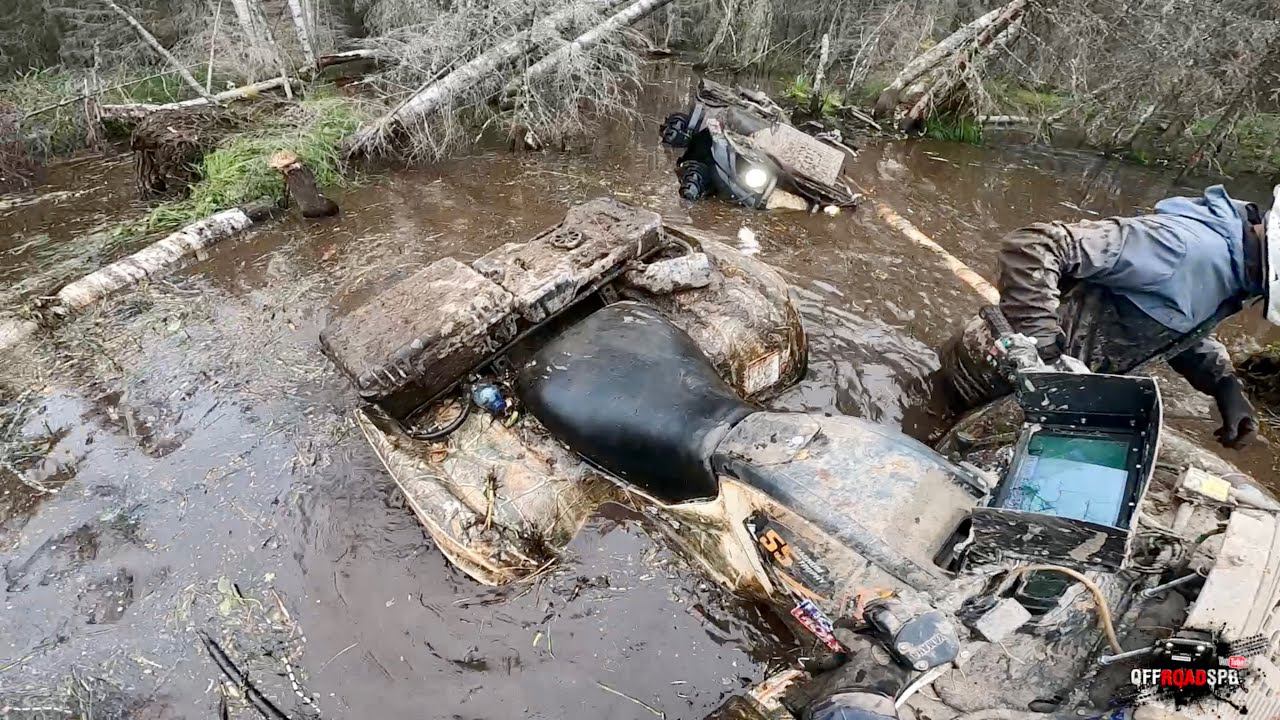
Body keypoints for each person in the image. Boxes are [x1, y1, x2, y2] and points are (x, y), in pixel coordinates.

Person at [942, 184, 1275, 449]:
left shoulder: (1235, 272)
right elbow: (1035, 244)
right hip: (986, 370)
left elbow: (1177, 319)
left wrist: (1224, 384)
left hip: (1042, 391)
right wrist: (1042, 351)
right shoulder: (1181, 246)